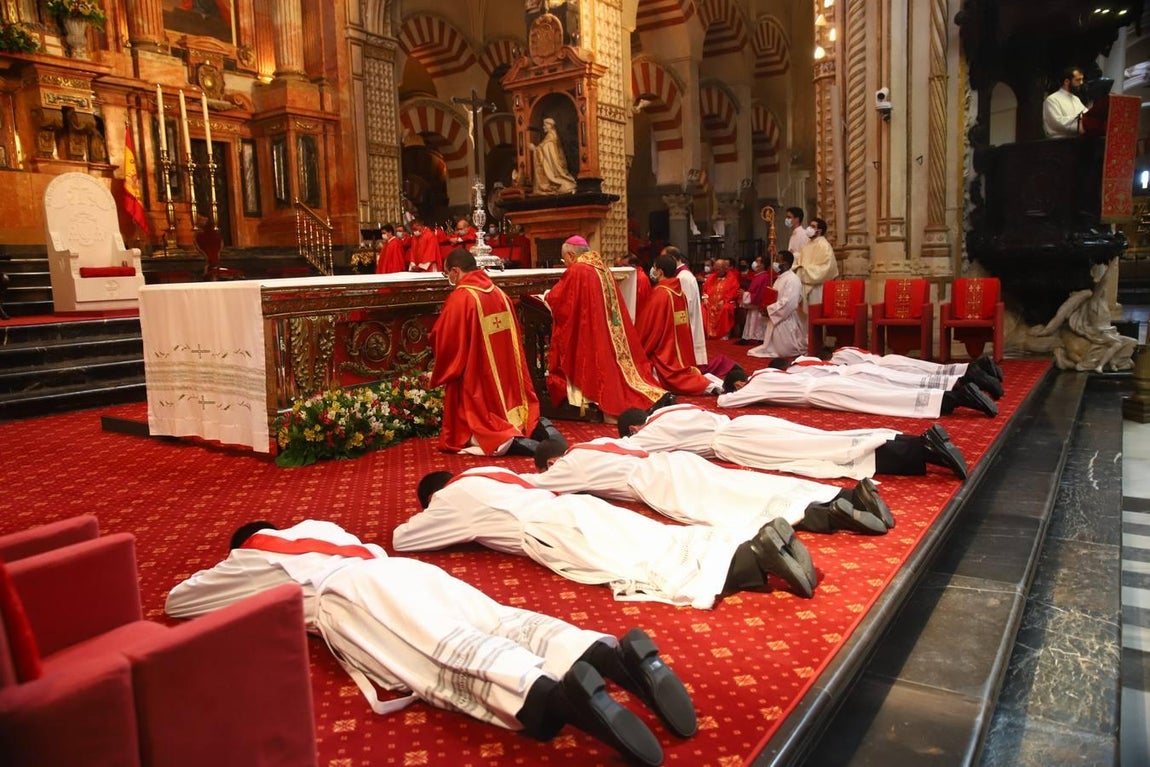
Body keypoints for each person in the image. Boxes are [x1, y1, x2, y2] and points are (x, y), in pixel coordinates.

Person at [166, 519, 695, 766]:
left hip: (352, 596)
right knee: (501, 620)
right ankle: (613, 658)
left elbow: (179, 602)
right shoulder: (321, 526)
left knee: (447, 655)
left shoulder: (249, 558)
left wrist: (234, 564)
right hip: (406, 572)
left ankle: (562, 699)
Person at [396, 466, 820, 606]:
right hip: (575, 506)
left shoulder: (448, 499)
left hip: (552, 531)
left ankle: (755, 558)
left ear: (434, 496)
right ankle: (751, 546)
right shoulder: (490, 472)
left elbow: (405, 540)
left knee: (640, 566)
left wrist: (433, 510)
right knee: (659, 538)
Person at [529, 436, 892, 535]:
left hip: (656, 481)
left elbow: (532, 484)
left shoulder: (567, 464)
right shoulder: (597, 441)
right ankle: (847, 495)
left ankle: (831, 515)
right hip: (675, 461)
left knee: (736, 508)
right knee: (747, 483)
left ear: (553, 461)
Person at [618, 401, 970, 481]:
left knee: (825, 453)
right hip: (747, 425)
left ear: (634, 428)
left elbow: (628, 453)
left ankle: (920, 449)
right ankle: (916, 443)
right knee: (825, 441)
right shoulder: (673, 408)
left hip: (736, 442)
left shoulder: (648, 432)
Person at [431, 248, 558, 455]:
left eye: (447, 274)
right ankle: (533, 427)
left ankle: (506, 440)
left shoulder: (461, 298)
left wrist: (435, 350)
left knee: (478, 422)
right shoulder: (499, 293)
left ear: (455, 271)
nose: (449, 279)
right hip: (505, 373)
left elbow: (447, 342)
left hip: (477, 375)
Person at [543, 236, 668, 417]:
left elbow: (562, 300)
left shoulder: (578, 269)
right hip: (605, 327)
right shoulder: (601, 267)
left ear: (571, 255)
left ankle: (585, 400)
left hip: (590, 329)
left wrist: (547, 296)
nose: (566, 265)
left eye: (565, 260)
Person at [717, 364, 998, 419]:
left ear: (740, 384)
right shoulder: (770, 373)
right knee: (885, 393)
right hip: (828, 385)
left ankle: (956, 398)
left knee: (884, 400)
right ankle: (957, 395)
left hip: (822, 394)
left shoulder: (756, 384)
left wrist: (720, 389)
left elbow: (726, 403)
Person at [636, 254, 723, 395]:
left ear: (660, 272)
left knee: (647, 374)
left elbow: (649, 327)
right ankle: (710, 383)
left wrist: (638, 347)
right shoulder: (679, 292)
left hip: (664, 354)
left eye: (655, 268)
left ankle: (709, 386)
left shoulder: (660, 294)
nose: (653, 271)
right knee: (685, 372)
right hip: (679, 353)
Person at [749, 250, 805, 359]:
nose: (775, 263)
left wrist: (769, 309)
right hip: (777, 316)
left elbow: (789, 302)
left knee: (784, 351)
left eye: (778, 261)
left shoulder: (792, 280)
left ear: (786, 264)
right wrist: (766, 307)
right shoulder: (781, 278)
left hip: (786, 319)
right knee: (768, 348)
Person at [664, 246, 708, 366]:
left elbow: (684, 305)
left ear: (672, 258)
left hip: (687, 324)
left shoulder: (683, 277)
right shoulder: (681, 275)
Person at [794, 217, 837, 306]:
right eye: (810, 225)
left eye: (813, 226)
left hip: (817, 287)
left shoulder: (824, 246)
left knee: (814, 310)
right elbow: (800, 259)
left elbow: (826, 267)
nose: (809, 228)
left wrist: (804, 271)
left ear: (819, 231)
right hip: (804, 283)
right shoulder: (808, 244)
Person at [531, 117, 577, 194]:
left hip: (554, 167)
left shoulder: (550, 139)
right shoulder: (551, 136)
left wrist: (535, 149)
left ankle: (557, 184)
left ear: (550, 125)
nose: (543, 127)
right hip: (555, 165)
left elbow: (547, 152)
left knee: (560, 181)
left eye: (545, 125)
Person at [701, 257, 741, 339]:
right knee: (702, 308)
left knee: (725, 308)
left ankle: (724, 333)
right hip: (710, 302)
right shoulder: (711, 277)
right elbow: (704, 290)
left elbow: (733, 292)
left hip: (725, 302)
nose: (717, 271)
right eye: (715, 269)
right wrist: (705, 298)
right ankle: (706, 333)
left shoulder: (732, 278)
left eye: (719, 269)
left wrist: (724, 300)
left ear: (725, 269)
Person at [1043, 67, 1088, 138]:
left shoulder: (1076, 99)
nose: (1081, 83)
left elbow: (1087, 115)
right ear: (1066, 81)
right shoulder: (1052, 99)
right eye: (1078, 80)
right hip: (1059, 142)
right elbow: (1057, 123)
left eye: (1082, 79)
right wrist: (1080, 120)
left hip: (1076, 140)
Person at [738, 256, 771, 345]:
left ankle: (758, 338)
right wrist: (745, 294)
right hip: (753, 305)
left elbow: (760, 293)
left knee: (757, 321)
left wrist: (745, 294)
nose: (755, 263)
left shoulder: (765, 277)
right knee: (751, 319)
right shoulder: (758, 276)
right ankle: (749, 337)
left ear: (763, 265)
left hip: (758, 305)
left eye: (757, 261)